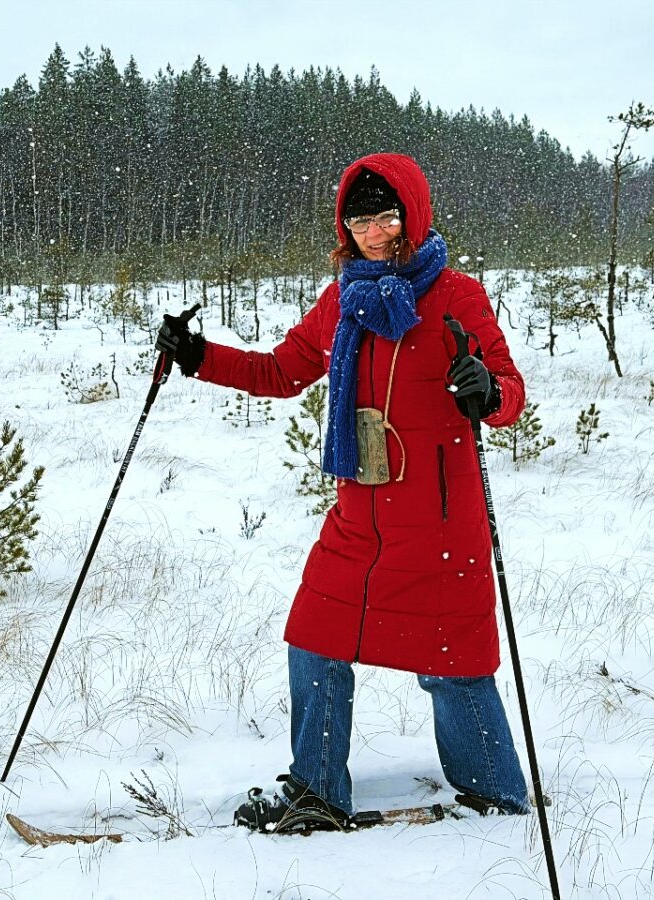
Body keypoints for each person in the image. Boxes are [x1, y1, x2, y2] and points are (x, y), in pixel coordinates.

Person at [156, 152, 531, 832]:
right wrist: (198, 356)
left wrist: (487, 390)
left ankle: (496, 796)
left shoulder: (457, 296)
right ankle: (318, 791)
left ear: (412, 216)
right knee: (314, 638)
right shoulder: (342, 301)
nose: (374, 234)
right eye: (359, 222)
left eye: (386, 217)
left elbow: (510, 391)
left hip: (442, 524)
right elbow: (281, 371)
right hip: (360, 517)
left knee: (452, 667)